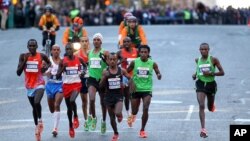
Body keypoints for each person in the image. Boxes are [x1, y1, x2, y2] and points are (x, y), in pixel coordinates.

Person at [16, 39, 51, 141]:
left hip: (39, 84)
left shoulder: (42, 56)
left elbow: (49, 63)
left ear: (36, 47)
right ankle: (37, 126)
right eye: (30, 46)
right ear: (27, 47)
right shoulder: (23, 56)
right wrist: (25, 61)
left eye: (33, 46)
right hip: (29, 86)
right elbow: (18, 72)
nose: (31, 48)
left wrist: (45, 68)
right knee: (34, 107)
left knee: (36, 102)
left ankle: (40, 121)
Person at [127, 45, 162, 138]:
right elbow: (126, 72)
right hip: (136, 89)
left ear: (148, 53)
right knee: (135, 110)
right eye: (141, 52)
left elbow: (157, 71)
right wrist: (130, 80)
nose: (143, 54)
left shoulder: (152, 63)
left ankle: (142, 130)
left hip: (147, 89)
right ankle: (133, 115)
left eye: (145, 52)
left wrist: (159, 75)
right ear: (139, 53)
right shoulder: (134, 62)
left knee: (145, 108)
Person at [192, 43, 224, 138]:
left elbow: (222, 72)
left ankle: (211, 105)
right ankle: (203, 129)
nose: (204, 51)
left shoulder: (214, 60)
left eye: (205, 49)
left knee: (209, 108)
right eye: (202, 49)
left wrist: (211, 73)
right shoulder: (197, 60)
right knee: (201, 105)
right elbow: (198, 71)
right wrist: (194, 75)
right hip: (200, 84)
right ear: (199, 50)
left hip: (211, 85)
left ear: (209, 50)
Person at [56, 43, 87, 138]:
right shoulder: (62, 61)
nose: (69, 50)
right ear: (65, 50)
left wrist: (83, 73)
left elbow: (85, 67)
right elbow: (57, 76)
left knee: (72, 100)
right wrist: (62, 68)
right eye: (67, 49)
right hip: (66, 86)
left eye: (70, 49)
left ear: (73, 50)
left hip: (77, 84)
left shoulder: (79, 59)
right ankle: (70, 126)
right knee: (69, 108)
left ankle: (76, 116)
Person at [100, 52, 131, 141]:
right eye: (111, 59)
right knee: (112, 117)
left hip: (118, 96)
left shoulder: (122, 71)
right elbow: (101, 86)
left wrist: (125, 84)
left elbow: (130, 79)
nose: (112, 61)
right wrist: (104, 78)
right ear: (108, 61)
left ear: (117, 60)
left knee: (117, 113)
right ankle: (116, 133)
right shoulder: (105, 71)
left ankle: (120, 115)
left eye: (114, 59)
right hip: (108, 96)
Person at [87, 33, 109, 134]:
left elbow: (110, 64)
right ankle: (94, 117)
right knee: (91, 99)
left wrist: (106, 60)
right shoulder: (89, 52)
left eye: (98, 40)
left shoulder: (105, 52)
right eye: (94, 39)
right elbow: (87, 64)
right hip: (92, 79)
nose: (96, 41)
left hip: (102, 80)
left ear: (101, 42)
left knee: (103, 103)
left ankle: (103, 121)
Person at [44, 44, 64, 137]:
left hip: (60, 85)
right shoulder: (48, 60)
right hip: (49, 86)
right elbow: (41, 71)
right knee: (52, 109)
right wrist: (46, 72)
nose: (56, 51)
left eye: (57, 49)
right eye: (54, 49)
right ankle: (55, 117)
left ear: (60, 51)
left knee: (57, 105)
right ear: (51, 51)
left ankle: (55, 128)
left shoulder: (63, 61)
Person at [117, 37, 137, 121]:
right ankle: (128, 113)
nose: (126, 43)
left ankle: (132, 113)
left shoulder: (136, 51)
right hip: (124, 76)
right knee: (125, 95)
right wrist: (121, 62)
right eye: (124, 42)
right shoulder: (120, 52)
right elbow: (113, 63)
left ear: (131, 42)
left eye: (128, 41)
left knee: (132, 97)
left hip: (135, 77)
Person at [74, 36, 91, 131]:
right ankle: (86, 121)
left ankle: (92, 117)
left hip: (92, 78)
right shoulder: (76, 54)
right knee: (85, 101)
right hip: (83, 79)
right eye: (82, 41)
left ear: (88, 42)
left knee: (92, 100)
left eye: (86, 41)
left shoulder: (92, 53)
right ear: (80, 43)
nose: (84, 43)